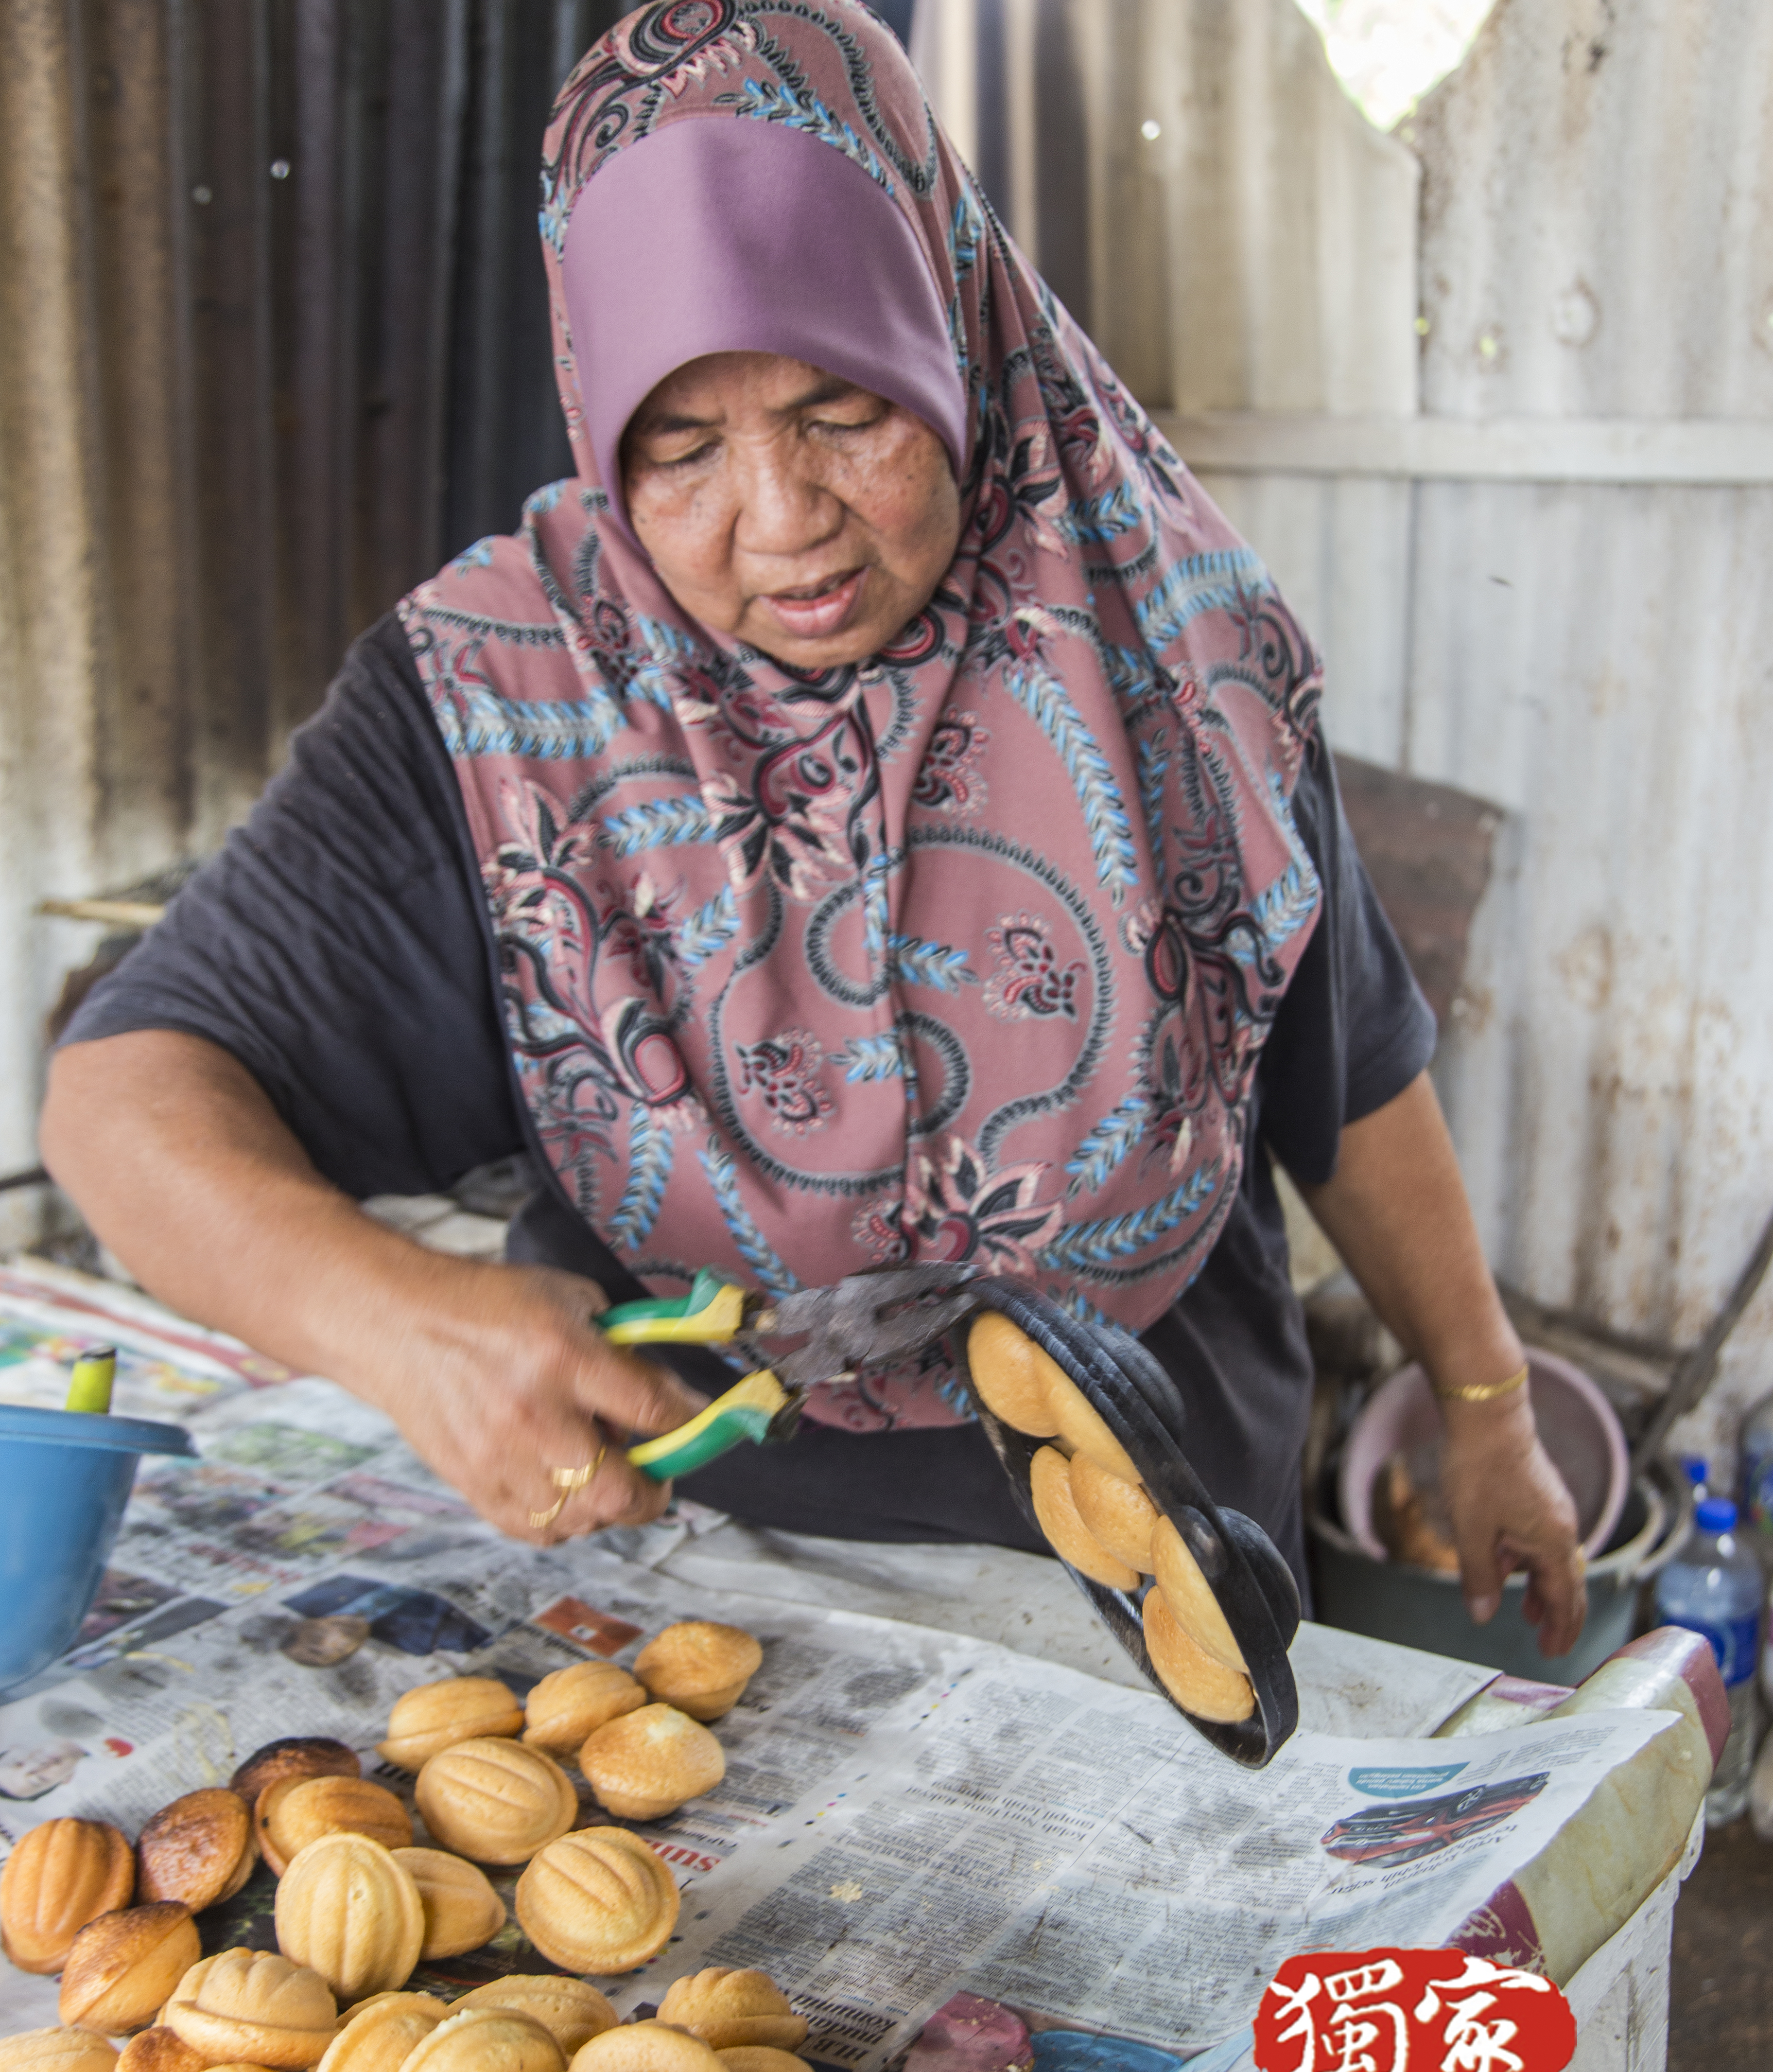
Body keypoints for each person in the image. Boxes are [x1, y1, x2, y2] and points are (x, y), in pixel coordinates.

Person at [40, 0, 1583, 1655]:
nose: (782, 527)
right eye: (684, 447)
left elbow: (1344, 1071)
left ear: (949, 325)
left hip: (1160, 1591)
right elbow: (120, 1101)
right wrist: (399, 1323)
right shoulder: (503, 705)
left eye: (846, 413)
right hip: (690, 1602)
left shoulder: (1171, 632)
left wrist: (1485, 1402)